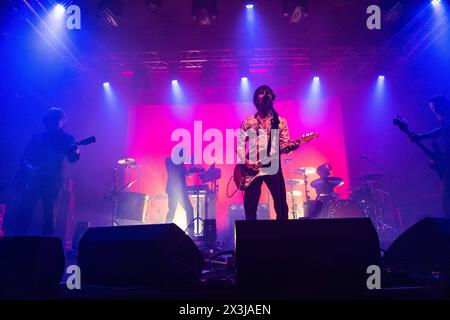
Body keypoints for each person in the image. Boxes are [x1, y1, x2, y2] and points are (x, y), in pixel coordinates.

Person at [237, 85, 300, 220]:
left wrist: (290, 147)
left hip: (273, 166)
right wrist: (247, 163)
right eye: (261, 93)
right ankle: (252, 238)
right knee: (250, 206)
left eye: (268, 93)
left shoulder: (280, 122)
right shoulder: (248, 122)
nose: (265, 94)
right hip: (253, 168)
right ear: (256, 100)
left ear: (272, 99)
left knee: (281, 206)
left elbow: (283, 145)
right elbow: (240, 146)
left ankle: (282, 237)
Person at [14, 108, 80, 236]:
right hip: (34, 180)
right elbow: (24, 157)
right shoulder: (38, 137)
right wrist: (29, 168)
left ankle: (45, 250)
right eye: (52, 120)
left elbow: (72, 159)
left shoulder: (68, 139)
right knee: (24, 212)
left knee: (49, 217)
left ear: (62, 122)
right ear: (46, 122)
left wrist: (76, 152)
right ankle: (18, 246)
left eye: (58, 120)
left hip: (53, 182)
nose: (55, 122)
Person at [411, 94, 450, 218]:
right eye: (431, 108)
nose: (433, 110)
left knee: (446, 197)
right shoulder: (444, 121)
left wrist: (421, 136)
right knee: (446, 198)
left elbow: (444, 130)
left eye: (434, 107)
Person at [165, 148, 195, 236]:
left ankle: (190, 233)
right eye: (182, 155)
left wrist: (191, 165)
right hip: (174, 191)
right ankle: (165, 232)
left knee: (188, 210)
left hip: (181, 192)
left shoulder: (179, 163)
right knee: (172, 211)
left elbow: (188, 173)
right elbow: (183, 171)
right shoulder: (169, 160)